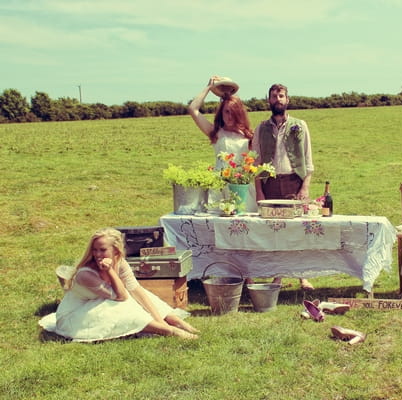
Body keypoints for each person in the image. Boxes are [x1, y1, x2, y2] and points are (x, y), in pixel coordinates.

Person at [39, 228, 198, 341]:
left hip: (103, 301)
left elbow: (136, 290)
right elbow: (121, 296)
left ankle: (176, 322)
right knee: (124, 305)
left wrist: (159, 318)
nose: (97, 254)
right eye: (95, 250)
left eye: (102, 250)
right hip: (76, 315)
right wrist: (110, 271)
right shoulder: (86, 274)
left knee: (142, 295)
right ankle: (169, 331)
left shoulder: (120, 262)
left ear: (116, 251)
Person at [252, 83, 315, 290]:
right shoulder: (260, 128)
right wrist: (259, 191)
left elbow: (308, 160)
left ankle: (302, 276)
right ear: (268, 100)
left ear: (287, 100)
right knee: (275, 232)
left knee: (297, 231)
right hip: (270, 184)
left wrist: (304, 188)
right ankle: (278, 276)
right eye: (273, 96)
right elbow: (256, 163)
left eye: (281, 96)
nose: (277, 99)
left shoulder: (300, 125)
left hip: (292, 181)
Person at [188, 76, 257, 212]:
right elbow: (193, 109)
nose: (229, 116)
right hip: (218, 187)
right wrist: (208, 87)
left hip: (240, 186)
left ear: (239, 113)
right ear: (221, 113)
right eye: (226, 111)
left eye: (233, 112)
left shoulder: (249, 136)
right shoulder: (215, 133)